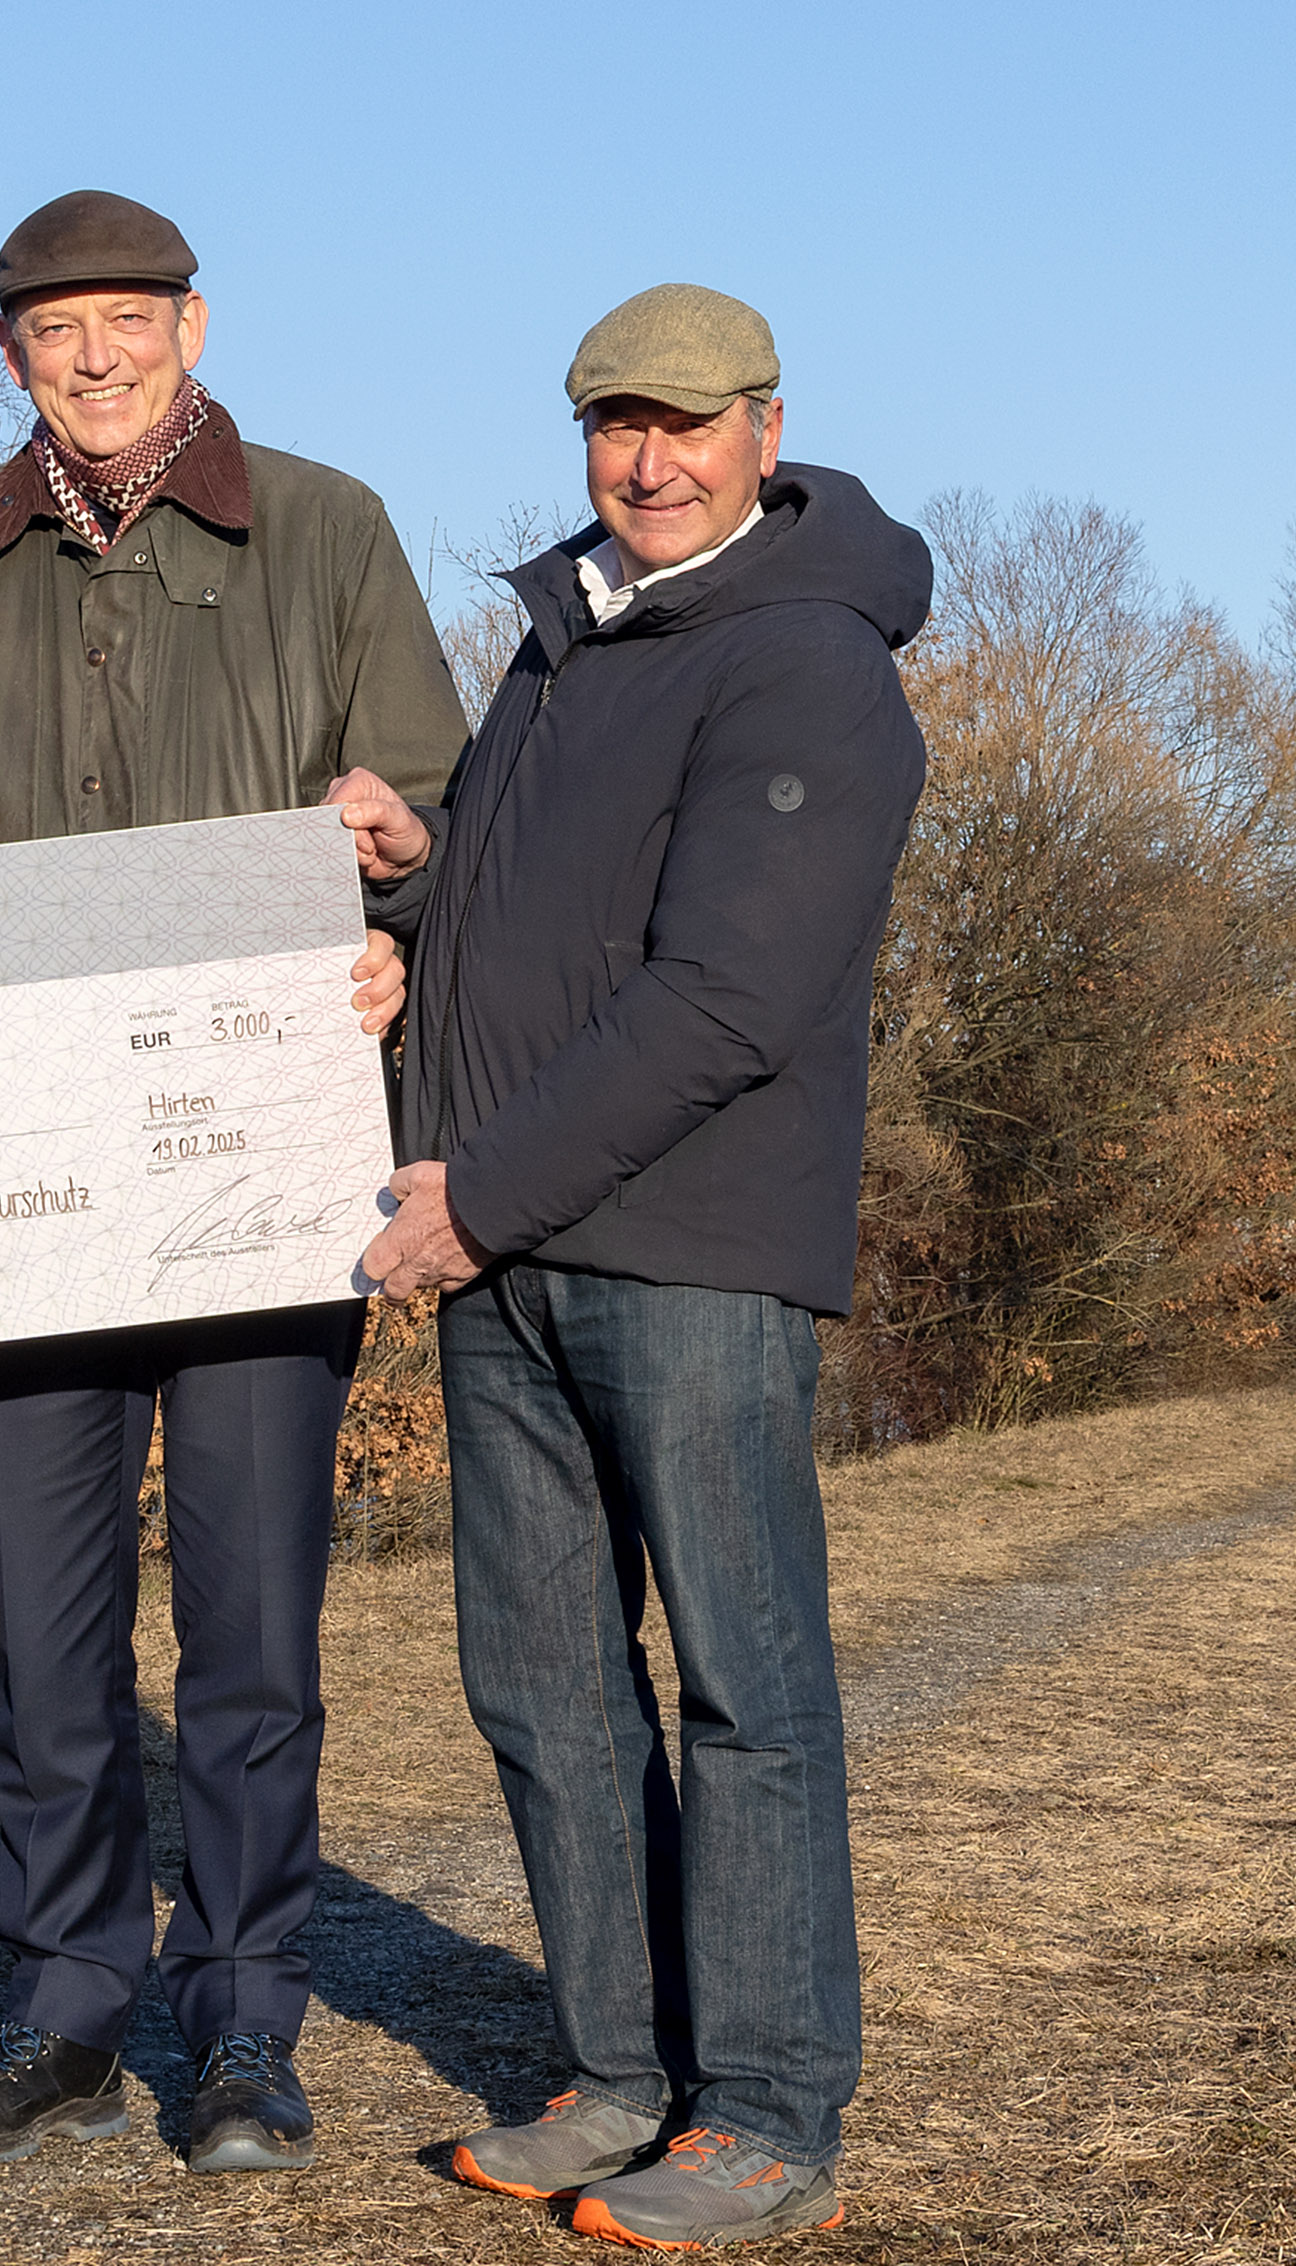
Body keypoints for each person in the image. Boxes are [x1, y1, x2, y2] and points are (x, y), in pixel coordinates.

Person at [0, 189, 464, 2174]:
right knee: (48, 1640)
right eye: (54, 330)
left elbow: (427, 786)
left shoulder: (325, 527)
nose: (93, 358)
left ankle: (245, 2016)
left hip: (261, 1164)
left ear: (193, 324)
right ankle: (66, 2003)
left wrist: (393, 882)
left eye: (127, 320)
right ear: (12, 352)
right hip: (30, 1174)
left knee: (250, 1639)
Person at [345, 283, 930, 2248]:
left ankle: (763, 2111)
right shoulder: (564, 636)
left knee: (740, 1685)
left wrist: (476, 1191)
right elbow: (539, 913)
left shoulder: (806, 658)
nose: (648, 459)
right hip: (507, 1242)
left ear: (767, 426)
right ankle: (618, 2070)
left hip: (684, 1246)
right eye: (616, 422)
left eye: (685, 423)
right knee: (543, 1684)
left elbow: (723, 995)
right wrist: (412, 874)